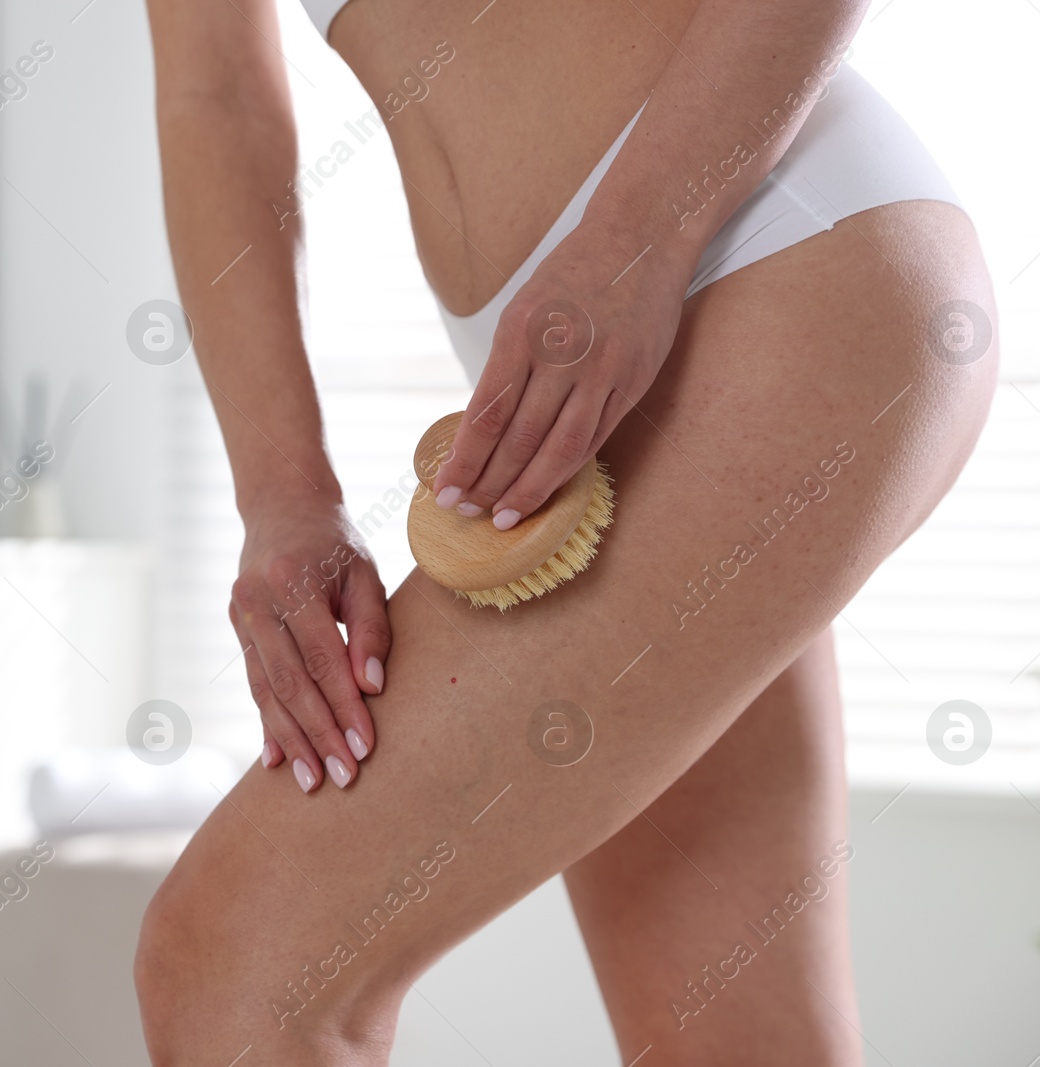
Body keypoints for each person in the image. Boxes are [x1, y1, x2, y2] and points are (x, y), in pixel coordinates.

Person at [136, 0, 996, 1061]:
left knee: (235, 959)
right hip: (566, 346)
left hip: (761, 235)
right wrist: (280, 491)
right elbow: (212, 92)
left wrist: (634, 239)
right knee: (735, 1038)